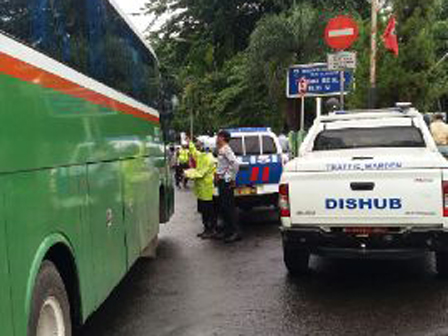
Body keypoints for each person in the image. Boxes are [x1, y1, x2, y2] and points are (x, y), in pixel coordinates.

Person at [184, 139, 217, 239]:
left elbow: (200, 173)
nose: (199, 145)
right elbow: (194, 153)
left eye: (201, 144)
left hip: (207, 190)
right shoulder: (203, 155)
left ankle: (211, 230)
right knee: (203, 211)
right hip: (202, 190)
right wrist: (190, 143)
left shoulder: (209, 159)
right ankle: (206, 229)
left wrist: (186, 173)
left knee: (208, 212)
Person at [215, 130, 241, 243]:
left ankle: (235, 232)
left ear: (223, 138)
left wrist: (230, 178)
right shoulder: (221, 149)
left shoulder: (226, 149)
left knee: (229, 208)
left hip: (226, 182)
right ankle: (227, 231)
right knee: (223, 207)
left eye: (218, 137)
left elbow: (235, 163)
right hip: (221, 181)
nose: (216, 139)